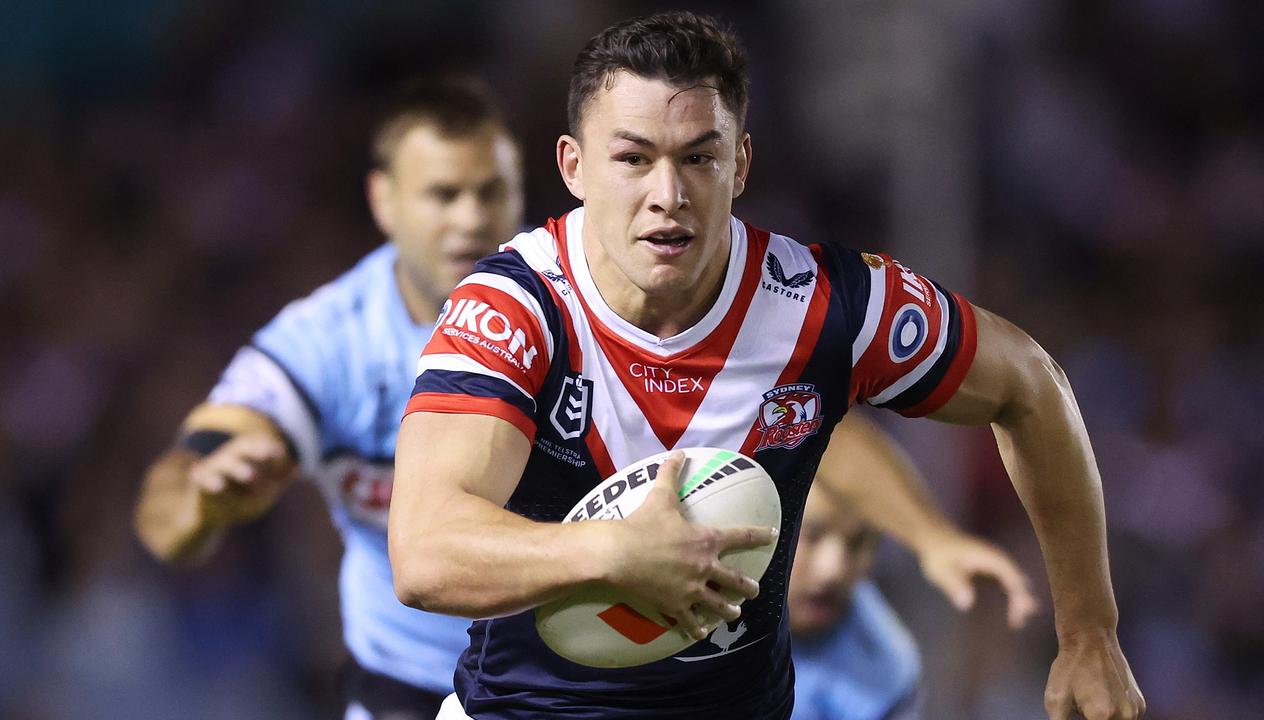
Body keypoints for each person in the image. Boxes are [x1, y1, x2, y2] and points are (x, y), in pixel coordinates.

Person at [392, 10, 1144, 720]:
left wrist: (1089, 633)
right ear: (574, 165)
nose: (668, 195)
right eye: (632, 158)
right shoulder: (516, 307)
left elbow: (1032, 386)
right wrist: (615, 553)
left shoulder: (824, 306)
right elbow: (424, 554)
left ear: (740, 163)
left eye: (698, 157)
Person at [132, 78, 524, 719]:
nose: (471, 219)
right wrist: (202, 499)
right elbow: (172, 500)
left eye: (491, 192)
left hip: (571, 687)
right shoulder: (324, 342)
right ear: (384, 200)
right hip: (407, 690)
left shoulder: (581, 305)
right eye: (442, 195)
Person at [791, 413, 1038, 720]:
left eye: (858, 543)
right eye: (811, 536)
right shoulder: (715, 604)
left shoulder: (888, 670)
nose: (833, 569)